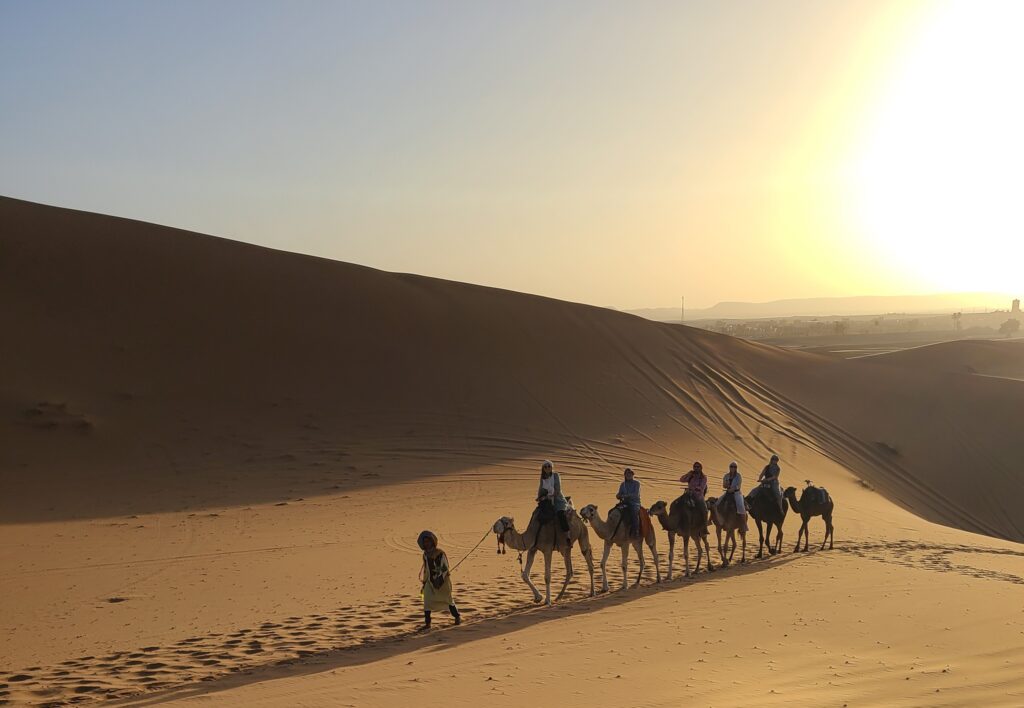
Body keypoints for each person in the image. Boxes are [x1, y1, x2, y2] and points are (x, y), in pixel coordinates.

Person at [418, 530, 461, 630]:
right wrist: (425, 582)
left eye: (428, 541)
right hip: (430, 582)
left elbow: (445, 568)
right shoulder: (425, 555)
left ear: (432, 541)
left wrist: (439, 579)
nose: (427, 543)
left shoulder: (440, 553)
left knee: (448, 600)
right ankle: (427, 623)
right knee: (427, 601)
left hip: (443, 582)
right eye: (425, 542)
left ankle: (457, 616)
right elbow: (426, 569)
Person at [537, 460, 570, 533]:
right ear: (543, 468)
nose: (547, 468)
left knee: (560, 514)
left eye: (549, 466)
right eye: (545, 467)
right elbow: (541, 489)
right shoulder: (543, 478)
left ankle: (567, 534)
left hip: (558, 500)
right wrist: (539, 497)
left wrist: (549, 496)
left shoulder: (556, 475)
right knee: (537, 514)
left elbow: (558, 489)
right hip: (547, 501)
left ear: (552, 467)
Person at [616, 467, 642, 537]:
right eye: (627, 474)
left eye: (630, 474)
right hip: (625, 503)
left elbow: (635, 494)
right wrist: (618, 495)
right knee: (614, 511)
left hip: (634, 503)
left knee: (634, 513)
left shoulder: (637, 483)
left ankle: (636, 531)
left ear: (632, 475)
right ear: (625, 475)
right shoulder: (622, 484)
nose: (628, 475)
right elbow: (619, 493)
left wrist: (625, 496)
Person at [723, 461, 748, 532]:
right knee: (717, 503)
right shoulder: (726, 476)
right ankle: (711, 520)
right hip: (728, 492)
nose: (733, 468)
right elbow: (724, 485)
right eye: (731, 466)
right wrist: (726, 486)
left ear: (736, 468)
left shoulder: (738, 476)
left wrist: (733, 489)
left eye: (735, 467)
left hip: (737, 493)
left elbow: (738, 485)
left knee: (741, 507)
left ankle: (744, 525)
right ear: (729, 467)